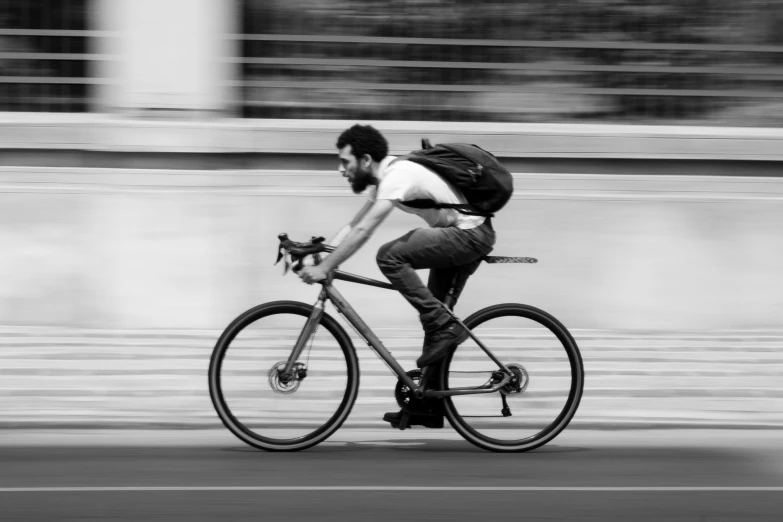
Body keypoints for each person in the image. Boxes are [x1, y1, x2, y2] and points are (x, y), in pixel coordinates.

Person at [298, 124, 496, 427]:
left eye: (344, 162)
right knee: (435, 321)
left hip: (470, 235)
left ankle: (443, 326)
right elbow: (355, 225)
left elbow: (366, 231)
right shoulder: (385, 181)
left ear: (365, 160)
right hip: (457, 234)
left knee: (390, 256)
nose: (341, 170)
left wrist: (326, 268)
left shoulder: (398, 174)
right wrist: (322, 253)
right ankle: (429, 405)